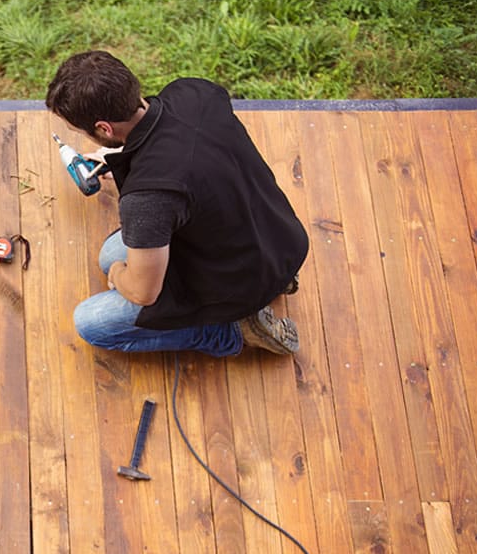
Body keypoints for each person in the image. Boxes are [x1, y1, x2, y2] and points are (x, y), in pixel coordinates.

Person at [45, 50, 309, 356]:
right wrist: (119, 156)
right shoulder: (195, 92)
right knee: (108, 254)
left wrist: (118, 273)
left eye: (81, 131)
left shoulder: (147, 197)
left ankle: (231, 332)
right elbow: (179, 148)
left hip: (240, 281)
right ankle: (277, 281)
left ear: (104, 128)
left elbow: (144, 293)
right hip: (281, 241)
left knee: (92, 322)